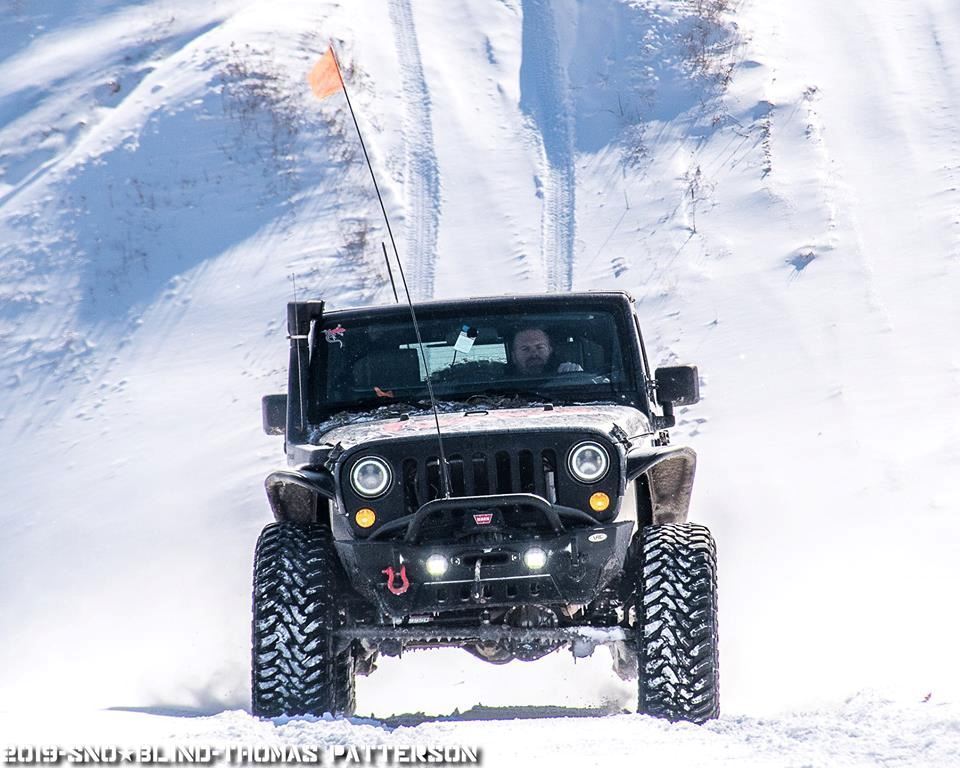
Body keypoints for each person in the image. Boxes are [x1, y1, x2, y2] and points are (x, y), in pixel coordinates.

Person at [509, 326, 583, 377]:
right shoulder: (500, 383)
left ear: (550, 351)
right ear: (514, 356)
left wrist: (578, 376)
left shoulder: (566, 373)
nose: (534, 354)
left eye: (540, 347)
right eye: (525, 349)